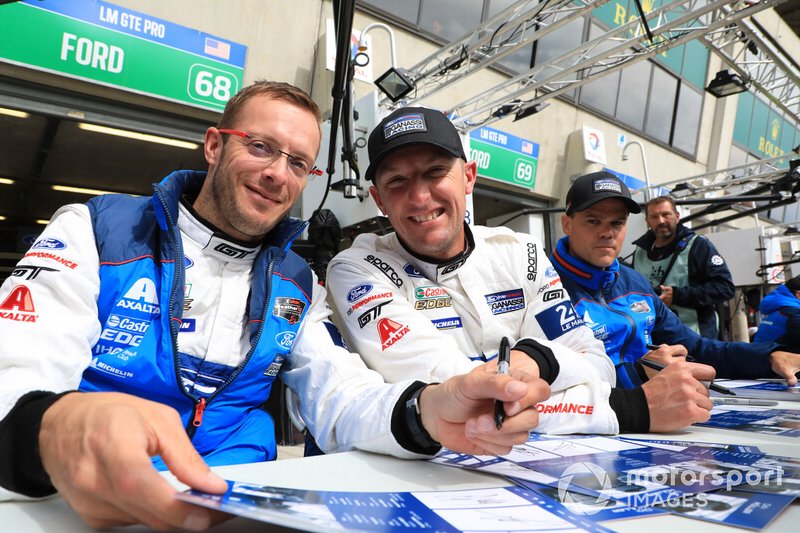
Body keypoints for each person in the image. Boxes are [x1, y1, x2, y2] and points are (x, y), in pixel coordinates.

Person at [0, 82, 551, 530]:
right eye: (260, 147)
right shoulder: (97, 229)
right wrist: (51, 426)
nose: (277, 173)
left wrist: (427, 410)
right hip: (72, 506)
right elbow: (15, 367)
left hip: (235, 510)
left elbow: (340, 397)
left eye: (299, 163)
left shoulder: (297, 282)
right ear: (215, 145)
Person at [326, 106, 717, 437]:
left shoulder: (520, 253)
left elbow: (597, 363)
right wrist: (626, 409)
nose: (420, 196)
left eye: (435, 172)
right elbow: (466, 401)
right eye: (397, 181)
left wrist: (538, 359)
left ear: (469, 178)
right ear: (378, 199)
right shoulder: (356, 270)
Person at [551, 171, 800, 389]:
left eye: (617, 222)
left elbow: (698, 349)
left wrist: (768, 357)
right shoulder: (540, 285)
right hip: (588, 429)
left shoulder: (636, 282)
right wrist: (638, 375)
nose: (607, 232)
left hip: (659, 417)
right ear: (567, 224)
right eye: (593, 221)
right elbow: (545, 381)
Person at [631, 195, 735, 339]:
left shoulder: (698, 245)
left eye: (666, 214)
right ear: (647, 221)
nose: (661, 221)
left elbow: (725, 288)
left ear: (677, 216)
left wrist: (678, 295)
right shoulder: (640, 252)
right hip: (655, 337)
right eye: (654, 217)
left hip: (695, 337)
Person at [753, 274, 800, 350]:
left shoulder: (775, 310)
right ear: (799, 294)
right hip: (778, 359)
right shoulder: (794, 313)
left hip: (761, 357)